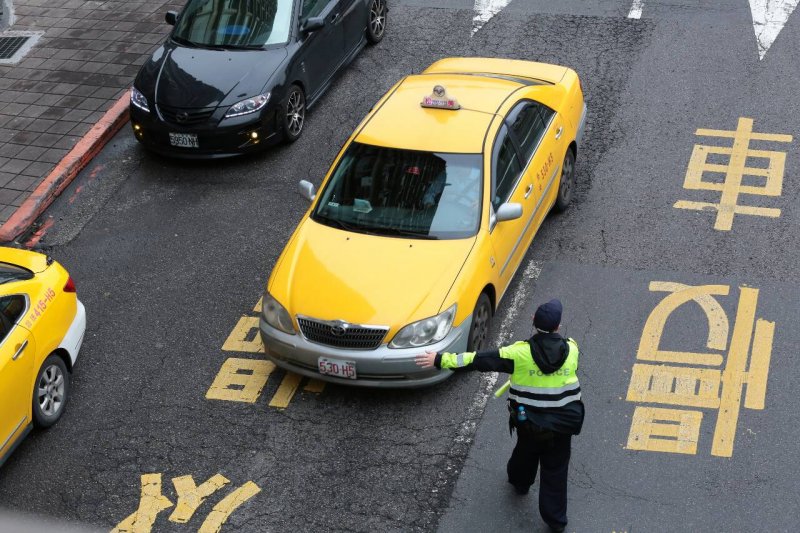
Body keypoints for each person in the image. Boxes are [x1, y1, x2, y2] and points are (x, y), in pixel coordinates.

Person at [415, 299, 584, 533]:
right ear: (558, 326)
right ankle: (556, 521)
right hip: (563, 425)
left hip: (530, 423)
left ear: (533, 322)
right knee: (555, 471)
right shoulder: (572, 348)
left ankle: (520, 484)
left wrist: (439, 359)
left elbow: (478, 360)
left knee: (525, 455)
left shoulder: (518, 353)